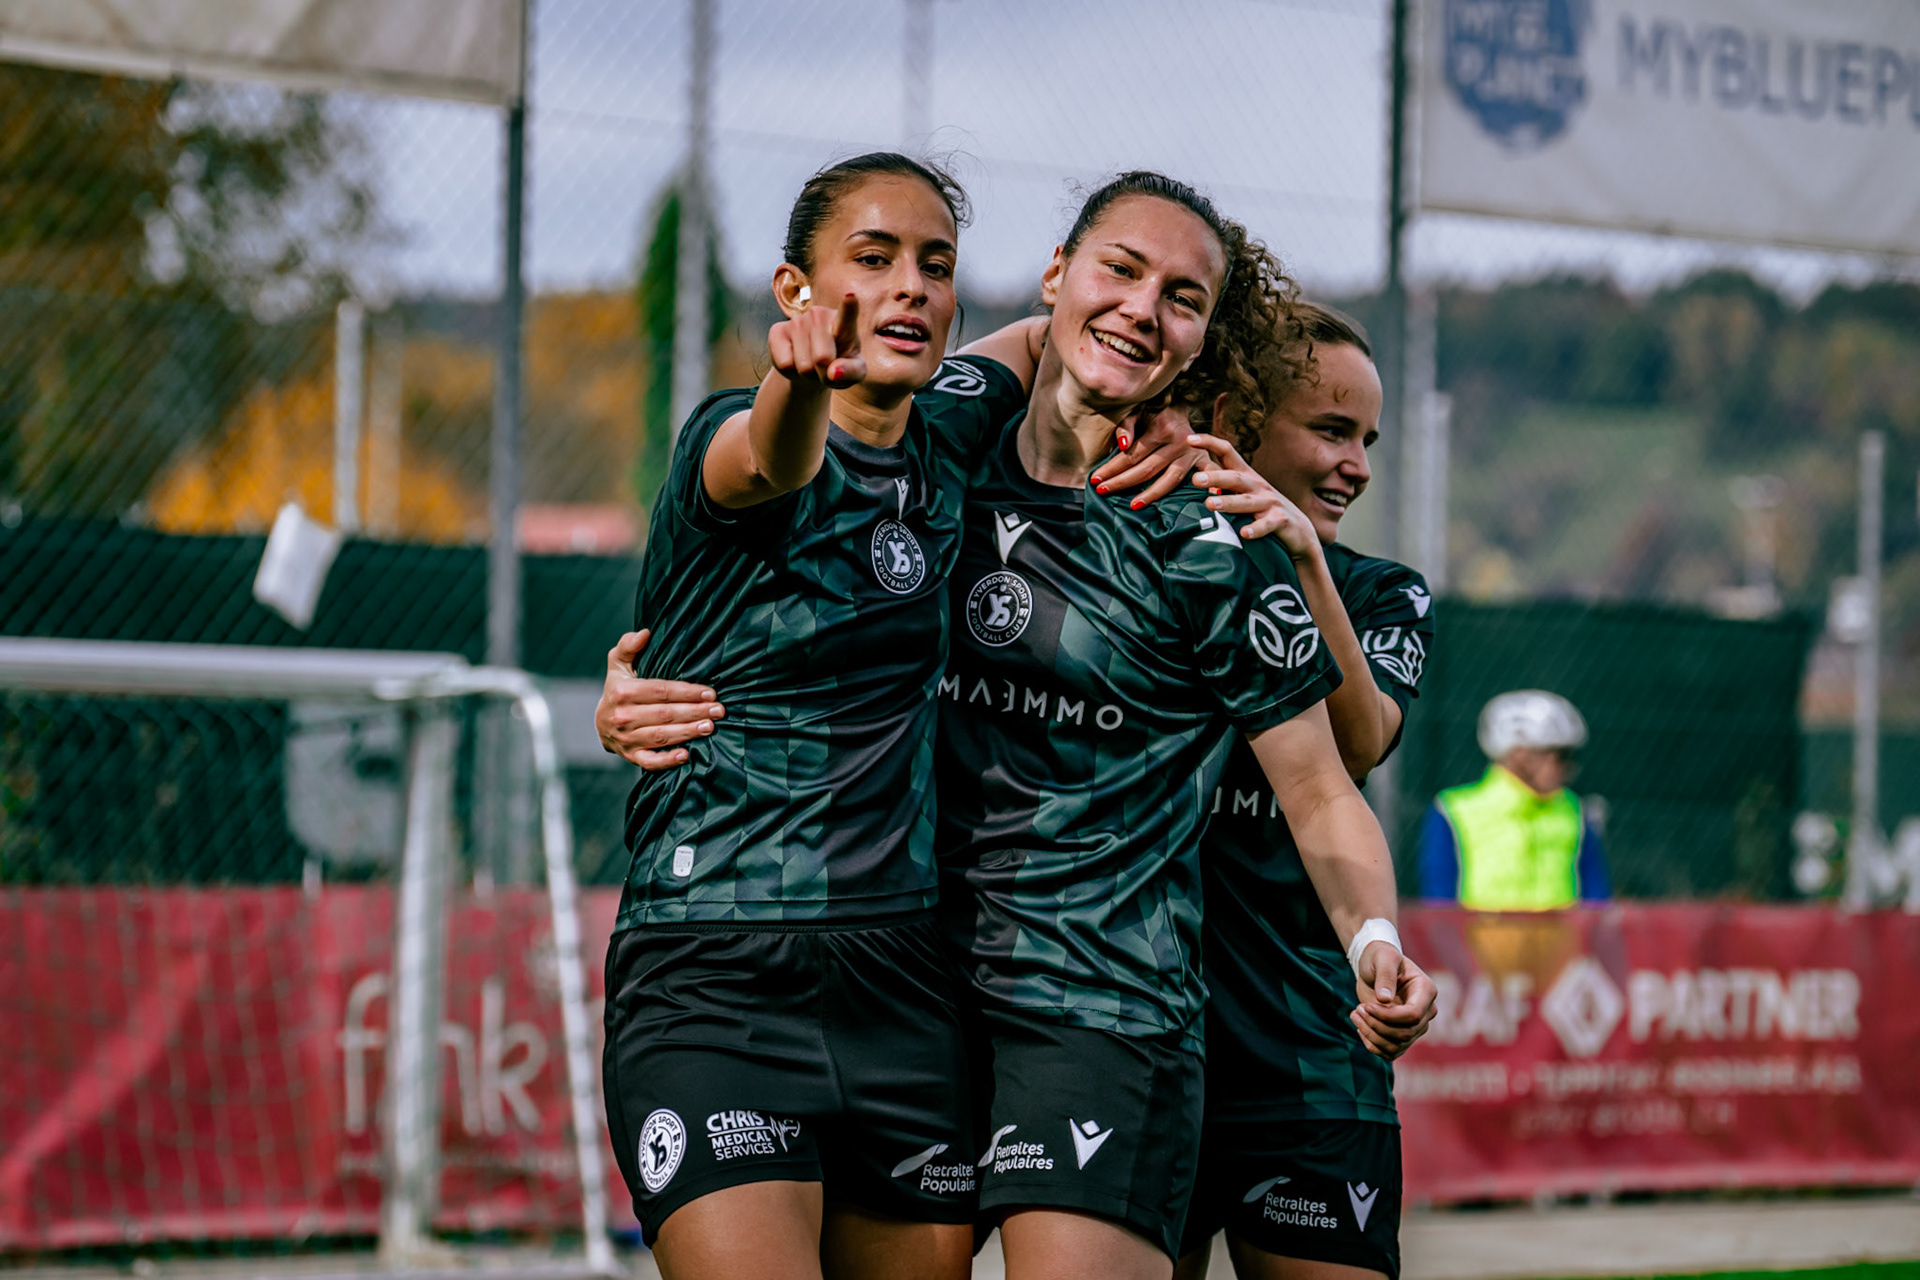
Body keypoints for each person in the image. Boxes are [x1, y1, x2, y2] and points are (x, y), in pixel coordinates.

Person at [599, 152, 1199, 1280]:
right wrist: (798, 382)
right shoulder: (734, 440)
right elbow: (769, 458)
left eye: (936, 266)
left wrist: (1171, 407)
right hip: (715, 970)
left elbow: (1063, 335)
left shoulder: (953, 432)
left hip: (901, 987)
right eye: (871, 261)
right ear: (794, 292)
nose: (912, 287)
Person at [934, 173, 1433, 1280]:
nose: (1144, 308)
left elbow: (1331, 773)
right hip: (914, 992)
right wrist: (653, 680)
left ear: (1206, 347)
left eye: (1185, 298)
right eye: (1119, 269)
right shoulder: (945, 446)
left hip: (1110, 1007)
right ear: (1055, 274)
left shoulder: (1211, 540)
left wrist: (1375, 940)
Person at [1106, 304, 1436, 1280]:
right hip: (1133, 1041)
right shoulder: (1134, 565)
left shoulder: (1382, 591)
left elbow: (1362, 740)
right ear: (1237, 422)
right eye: (1332, 429)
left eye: (1368, 439)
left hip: (1307, 1047)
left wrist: (1300, 558)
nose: (1359, 465)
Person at [1417, 689, 1612, 910]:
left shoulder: (1575, 810)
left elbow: (1597, 900)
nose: (1567, 767)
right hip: (1476, 944)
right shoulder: (1453, 810)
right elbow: (1438, 900)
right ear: (1519, 755)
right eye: (1559, 756)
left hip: (1559, 944)